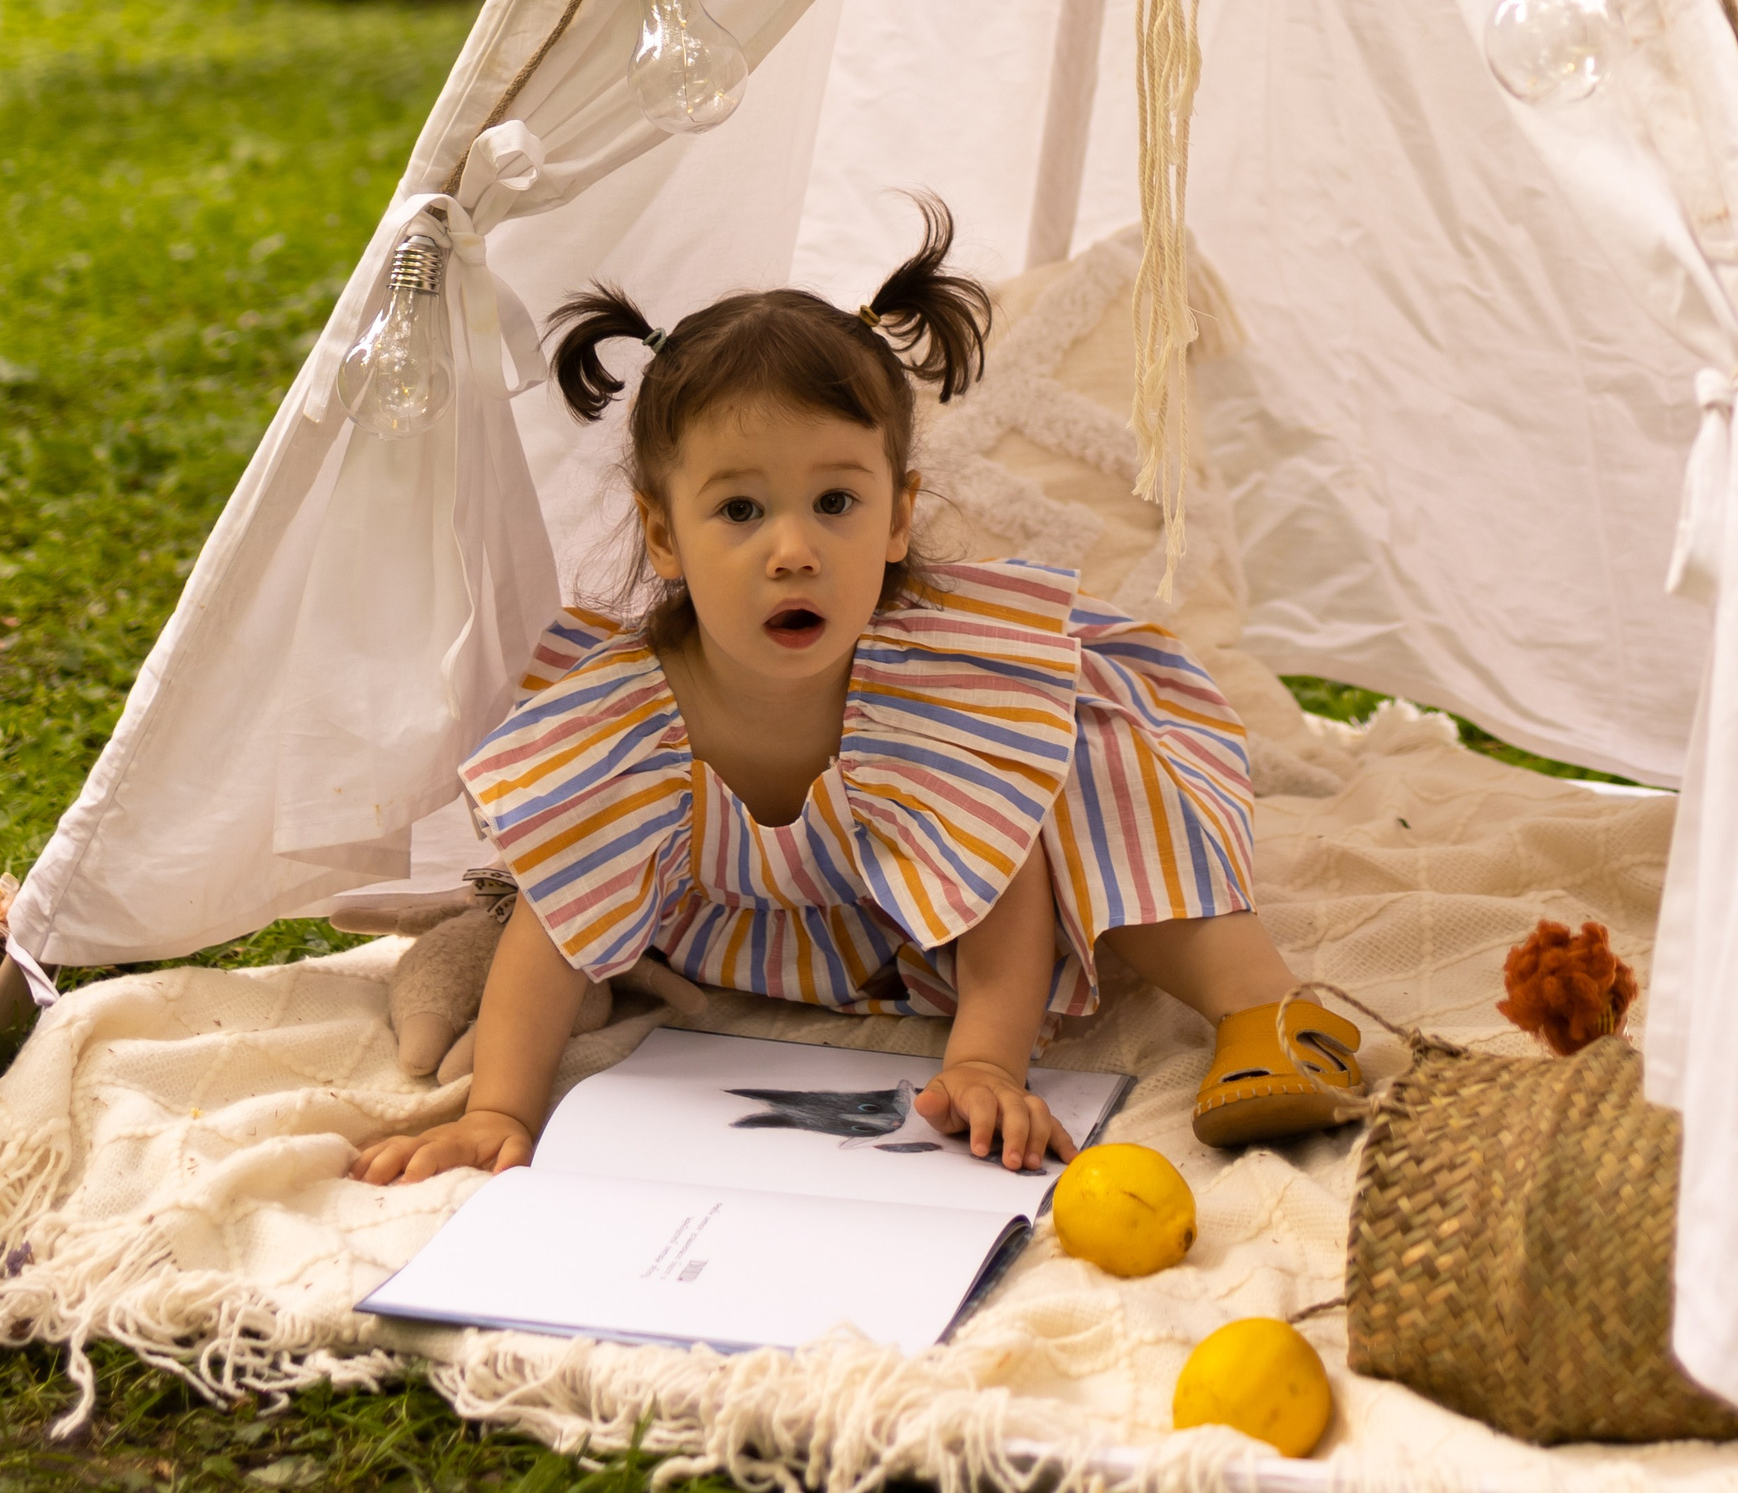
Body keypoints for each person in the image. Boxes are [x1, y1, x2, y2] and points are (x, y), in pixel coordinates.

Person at [351, 198, 1362, 1187]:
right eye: (739, 510)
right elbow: (554, 924)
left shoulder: (944, 688)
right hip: (830, 928)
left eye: (835, 502)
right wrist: (499, 1113)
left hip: (981, 883)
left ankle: (1261, 1010)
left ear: (895, 517)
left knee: (1086, 754)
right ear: (663, 534)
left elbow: (1002, 881)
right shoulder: (625, 719)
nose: (793, 551)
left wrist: (982, 1064)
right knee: (569, 897)